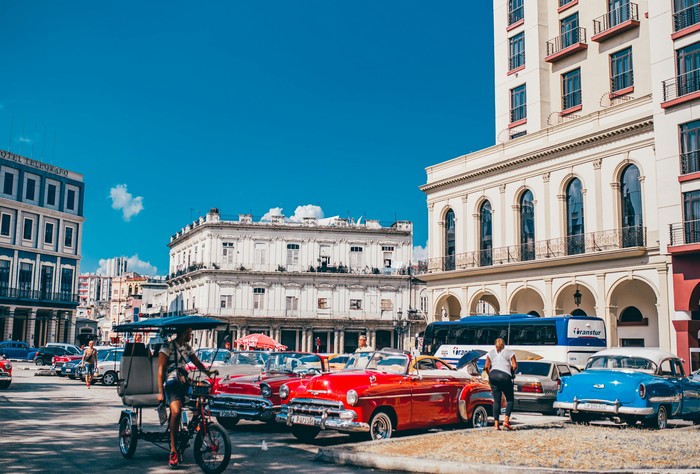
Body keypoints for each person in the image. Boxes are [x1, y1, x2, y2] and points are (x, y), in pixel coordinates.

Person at [158, 327, 214, 468]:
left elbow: (197, 363)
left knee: (201, 398)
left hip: (184, 381)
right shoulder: (167, 347)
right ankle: (173, 450)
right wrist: (160, 391)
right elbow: (160, 370)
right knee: (176, 412)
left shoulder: (187, 348)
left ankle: (192, 427)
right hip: (172, 382)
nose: (191, 335)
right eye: (189, 333)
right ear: (184, 333)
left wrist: (209, 373)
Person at [484, 338, 517, 431]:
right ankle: (506, 421)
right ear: (504, 345)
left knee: (496, 400)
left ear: (495, 345)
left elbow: (486, 366)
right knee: (510, 399)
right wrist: (511, 372)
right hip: (505, 375)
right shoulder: (510, 352)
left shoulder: (490, 353)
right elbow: (514, 365)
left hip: (493, 375)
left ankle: (496, 425)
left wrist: (489, 374)